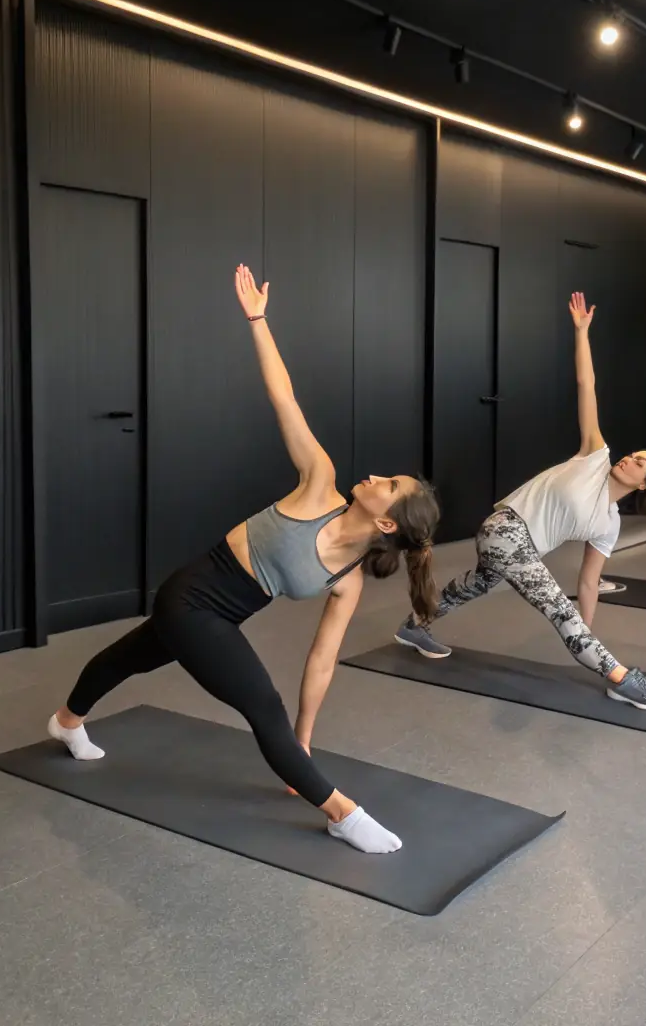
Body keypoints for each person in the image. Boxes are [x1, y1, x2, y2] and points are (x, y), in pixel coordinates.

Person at [47, 265, 440, 855]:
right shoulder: (319, 482)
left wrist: (303, 739)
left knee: (131, 656)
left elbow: (322, 661)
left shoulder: (347, 579)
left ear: (388, 522)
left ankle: (67, 721)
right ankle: (341, 813)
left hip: (221, 616)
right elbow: (284, 396)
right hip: (192, 595)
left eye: (389, 485)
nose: (378, 475)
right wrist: (258, 319)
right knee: (262, 705)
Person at [394, 291, 646, 710]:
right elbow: (587, 386)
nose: (630, 459)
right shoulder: (594, 455)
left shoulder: (609, 523)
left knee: (478, 585)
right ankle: (621, 677)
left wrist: (583, 635)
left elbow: (588, 582)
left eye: (641, 465)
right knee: (557, 608)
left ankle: (414, 625)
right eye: (635, 454)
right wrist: (581, 333)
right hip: (505, 530)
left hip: (519, 549)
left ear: (644, 486)